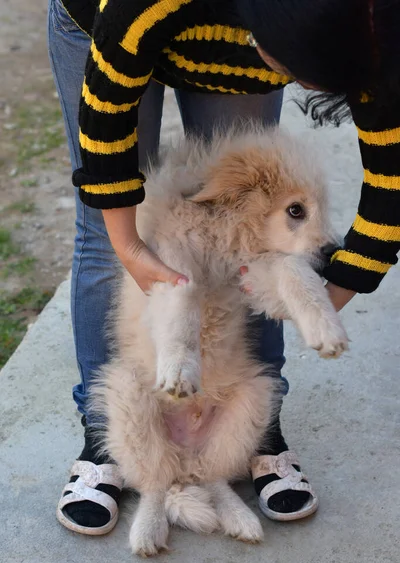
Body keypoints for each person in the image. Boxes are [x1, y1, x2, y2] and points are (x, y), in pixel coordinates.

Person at [48, 0, 400, 535]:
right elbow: (105, 136)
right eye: (300, 73)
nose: (301, 88)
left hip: (260, 33)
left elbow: (392, 186)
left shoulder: (367, 29)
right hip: (106, 21)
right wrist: (131, 248)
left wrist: (323, 300)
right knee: (107, 231)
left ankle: (256, 430)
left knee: (258, 224)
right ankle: (107, 436)